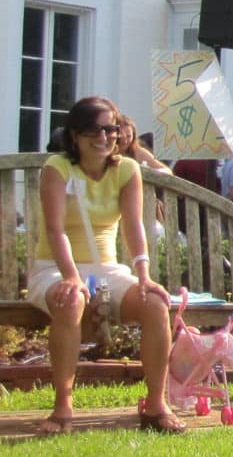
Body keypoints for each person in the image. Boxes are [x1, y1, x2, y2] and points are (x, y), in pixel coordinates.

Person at [27, 97, 185, 435]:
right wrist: (71, 275)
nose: (104, 137)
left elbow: (133, 227)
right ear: (75, 136)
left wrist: (143, 274)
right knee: (71, 300)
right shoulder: (57, 168)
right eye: (94, 130)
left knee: (156, 303)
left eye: (110, 128)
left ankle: (156, 404)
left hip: (106, 271)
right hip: (55, 267)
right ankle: (62, 407)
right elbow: (54, 229)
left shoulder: (126, 170)